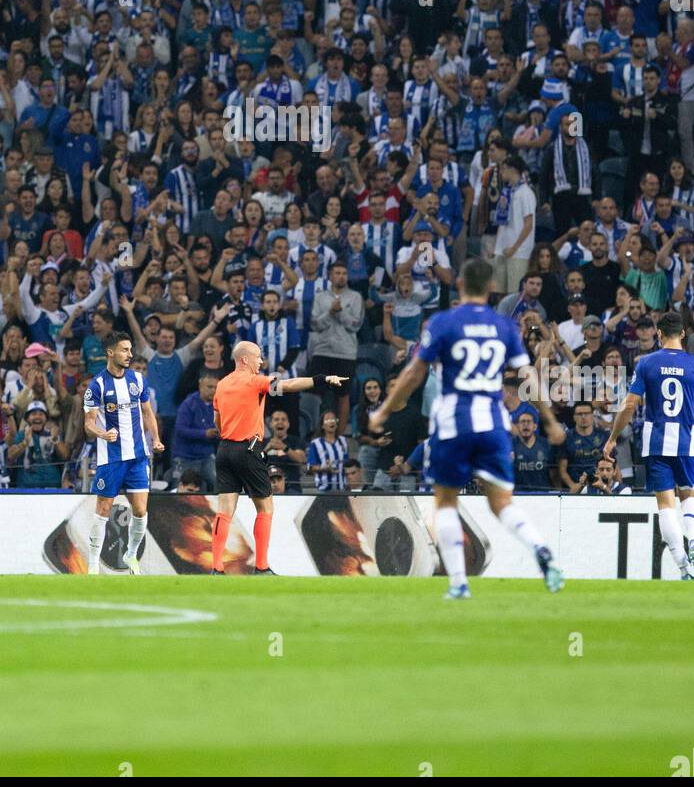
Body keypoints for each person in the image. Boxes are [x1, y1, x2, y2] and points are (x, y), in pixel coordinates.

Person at [368, 257, 566, 599]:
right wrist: (548, 420)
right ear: (491, 288)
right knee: (502, 502)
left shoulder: (445, 322)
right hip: (493, 422)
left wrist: (384, 409)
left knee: (445, 502)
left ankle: (459, 582)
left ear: (459, 285)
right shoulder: (505, 327)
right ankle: (540, 549)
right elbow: (529, 376)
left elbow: (415, 372)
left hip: (453, 422)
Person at [210, 339, 346, 575]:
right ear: (244, 359)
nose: (261, 361)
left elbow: (217, 422)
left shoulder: (221, 385)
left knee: (224, 510)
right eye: (258, 357)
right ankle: (261, 567)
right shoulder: (255, 381)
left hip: (224, 450)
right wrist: (321, 379)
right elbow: (290, 385)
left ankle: (216, 567)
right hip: (248, 449)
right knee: (265, 508)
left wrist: (230, 432)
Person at [606, 310, 694, 580]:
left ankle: (683, 567)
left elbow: (630, 404)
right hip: (686, 440)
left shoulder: (646, 363)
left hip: (656, 441)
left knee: (666, 505)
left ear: (659, 334)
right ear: (682, 334)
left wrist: (611, 438)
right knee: (690, 497)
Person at [83, 330, 164, 575]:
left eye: (130, 350)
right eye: (125, 350)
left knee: (140, 510)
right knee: (104, 509)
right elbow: (88, 423)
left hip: (138, 457)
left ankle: (130, 556)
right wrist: (103, 434)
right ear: (110, 352)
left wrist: (156, 439)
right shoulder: (96, 385)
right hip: (111, 459)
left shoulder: (138, 380)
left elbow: (148, 412)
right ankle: (93, 564)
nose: (130, 354)